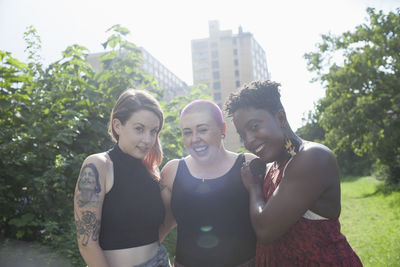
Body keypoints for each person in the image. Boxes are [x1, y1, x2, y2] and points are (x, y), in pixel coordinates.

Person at [225, 80, 363, 267]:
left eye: (254, 127)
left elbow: (266, 231)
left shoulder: (312, 158)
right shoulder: (276, 164)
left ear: (280, 118)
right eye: (242, 134)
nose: (248, 141)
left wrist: (254, 187)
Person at [74, 89, 170, 267]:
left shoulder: (152, 171)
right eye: (139, 129)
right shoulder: (98, 165)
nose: (148, 139)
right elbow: (87, 244)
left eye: (153, 131)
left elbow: (164, 225)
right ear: (117, 126)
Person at [159, 100, 257, 267]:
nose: (195, 139)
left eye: (203, 130)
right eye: (187, 132)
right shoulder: (172, 171)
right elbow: (160, 228)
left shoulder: (248, 165)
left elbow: (269, 224)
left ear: (223, 130)